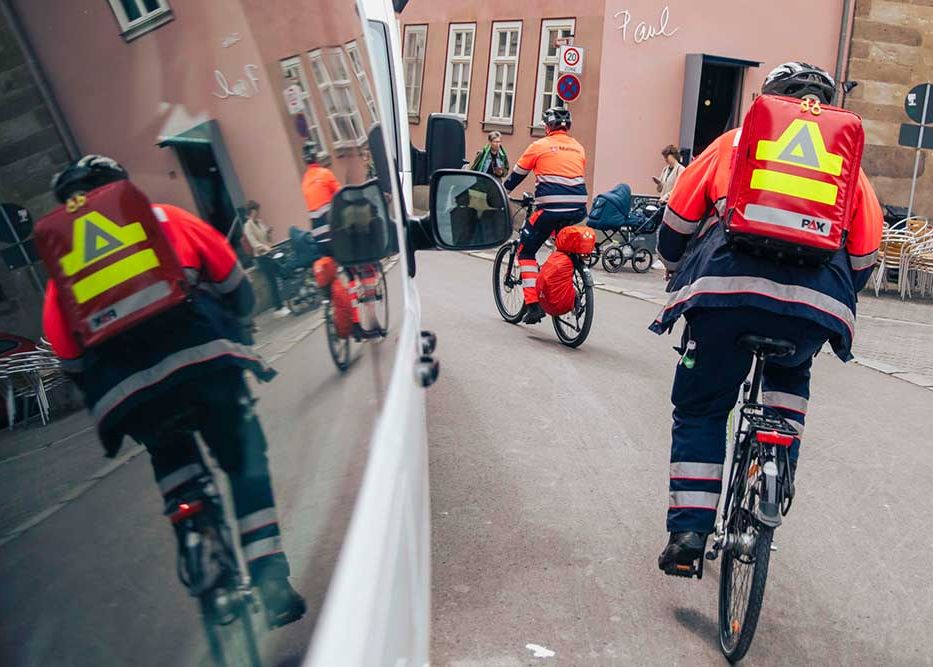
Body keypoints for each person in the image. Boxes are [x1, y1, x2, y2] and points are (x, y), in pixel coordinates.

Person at [40, 155, 307, 627]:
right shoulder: (166, 218)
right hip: (204, 363)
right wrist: (237, 323)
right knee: (244, 461)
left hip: (129, 391)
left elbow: (68, 356)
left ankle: (191, 528)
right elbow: (235, 287)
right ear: (123, 188)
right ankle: (269, 581)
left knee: (166, 446)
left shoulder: (63, 270)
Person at [649, 63, 883, 572]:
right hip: (813, 305)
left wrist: (676, 270)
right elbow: (865, 252)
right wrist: (834, 296)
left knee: (703, 409)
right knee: (791, 371)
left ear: (767, 103)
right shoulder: (848, 165)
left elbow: (677, 220)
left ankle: (689, 533)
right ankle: (772, 478)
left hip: (723, 293)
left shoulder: (733, 142)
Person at [503, 107, 588, 324]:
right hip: (578, 208)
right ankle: (563, 282)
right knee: (562, 247)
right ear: (567, 127)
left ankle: (533, 306)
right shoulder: (579, 148)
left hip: (550, 208)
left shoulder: (539, 146)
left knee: (526, 251)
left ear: (547, 126)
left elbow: (516, 176)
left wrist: (502, 192)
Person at [243, 200, 291, 318]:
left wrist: (268, 232)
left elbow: (266, 238)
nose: (258, 213)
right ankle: (278, 308)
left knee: (282, 272)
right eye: (256, 211)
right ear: (252, 211)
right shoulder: (248, 226)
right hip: (262, 257)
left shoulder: (259, 222)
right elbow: (254, 243)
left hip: (269, 253)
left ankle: (284, 302)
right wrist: (266, 248)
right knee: (272, 282)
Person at [300, 140, 341, 252]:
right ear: (316, 157)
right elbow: (341, 194)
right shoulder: (324, 173)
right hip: (334, 232)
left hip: (319, 239)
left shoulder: (305, 181)